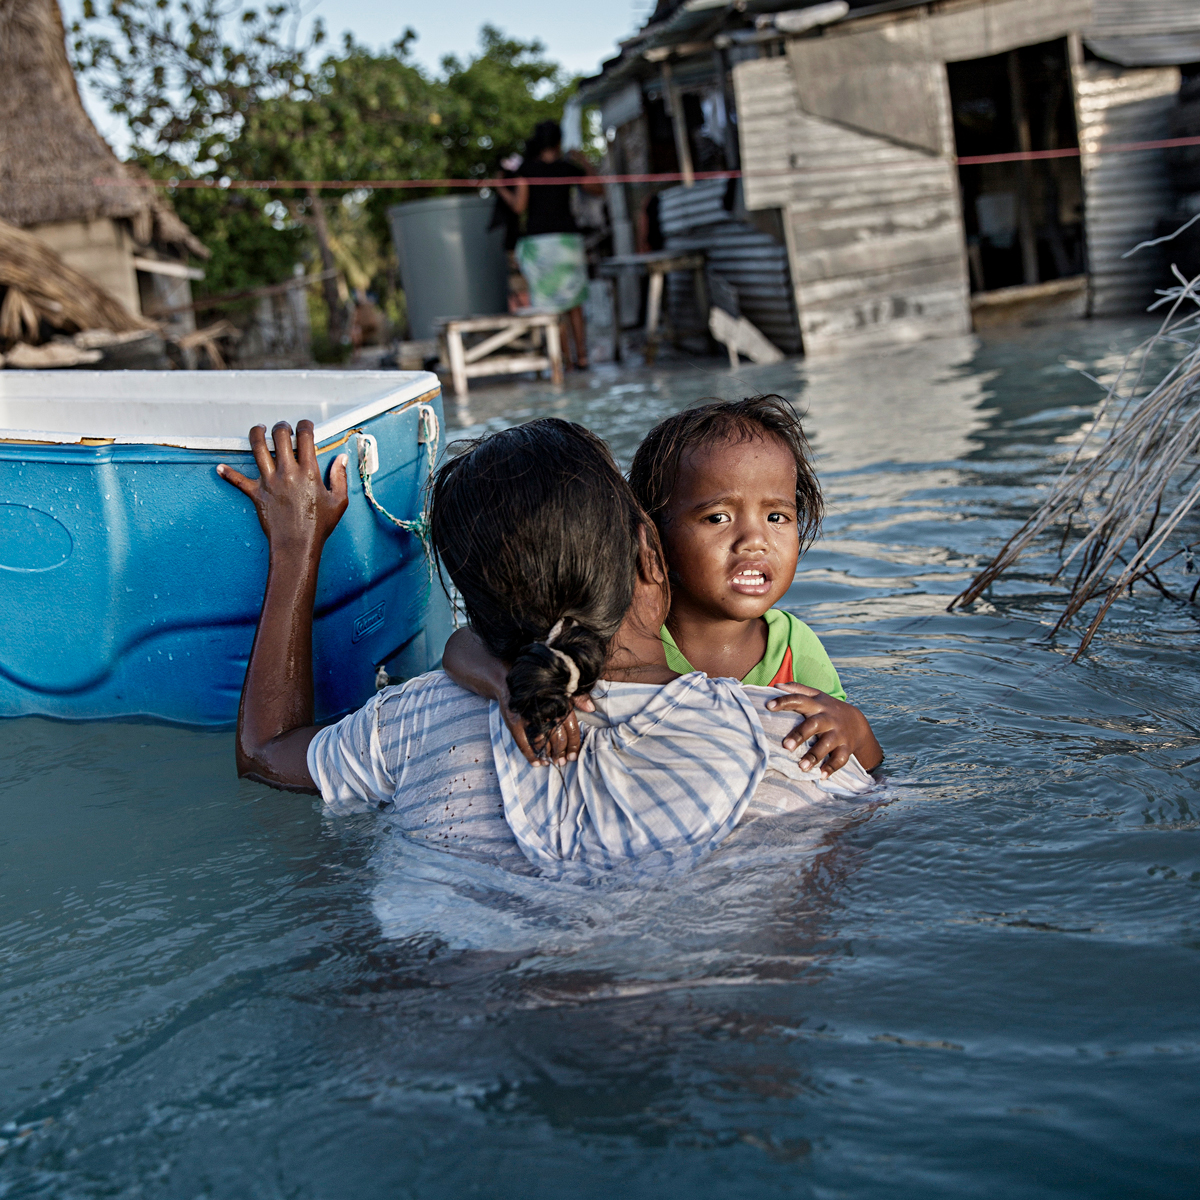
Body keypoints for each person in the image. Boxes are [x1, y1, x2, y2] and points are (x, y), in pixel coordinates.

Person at [215, 417, 875, 876]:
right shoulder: (794, 746)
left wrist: (297, 545)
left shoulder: (410, 723)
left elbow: (265, 753)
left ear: (476, 610)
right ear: (652, 556)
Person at [446, 397, 883, 778]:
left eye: (777, 516)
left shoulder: (795, 647)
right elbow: (463, 644)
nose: (755, 540)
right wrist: (506, 685)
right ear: (652, 538)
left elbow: (863, 764)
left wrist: (856, 729)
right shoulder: (630, 637)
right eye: (717, 517)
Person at [497, 119, 602, 371]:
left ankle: (564, 358)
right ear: (558, 141)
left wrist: (502, 189)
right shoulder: (568, 167)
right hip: (567, 241)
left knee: (553, 306)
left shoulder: (526, 170)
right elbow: (598, 188)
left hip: (540, 243)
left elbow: (519, 207)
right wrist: (583, 160)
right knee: (575, 301)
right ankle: (583, 357)